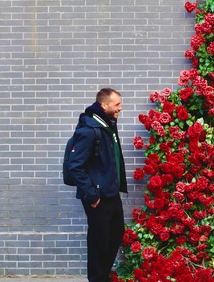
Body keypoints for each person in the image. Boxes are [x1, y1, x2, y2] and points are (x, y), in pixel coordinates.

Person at [68, 88, 128, 282]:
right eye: (117, 104)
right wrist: (92, 194)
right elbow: (75, 165)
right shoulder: (89, 130)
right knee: (99, 241)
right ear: (104, 105)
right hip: (97, 196)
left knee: (116, 233)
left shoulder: (107, 125)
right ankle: (98, 278)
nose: (121, 107)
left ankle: (101, 276)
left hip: (111, 193)